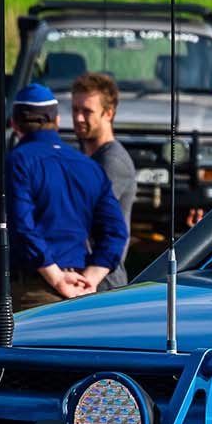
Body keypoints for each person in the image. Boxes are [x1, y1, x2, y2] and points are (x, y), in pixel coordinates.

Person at [4, 83, 126, 309]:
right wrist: (90, 279)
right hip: (82, 289)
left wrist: (57, 277)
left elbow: (22, 226)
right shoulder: (89, 166)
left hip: (36, 289)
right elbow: (116, 232)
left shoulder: (18, 161)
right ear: (57, 121)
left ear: (14, 123)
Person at [70, 72, 133, 288]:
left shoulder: (112, 161)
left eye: (87, 111)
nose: (79, 118)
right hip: (82, 277)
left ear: (108, 113)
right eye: (75, 110)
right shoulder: (83, 157)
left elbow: (81, 214)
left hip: (103, 282)